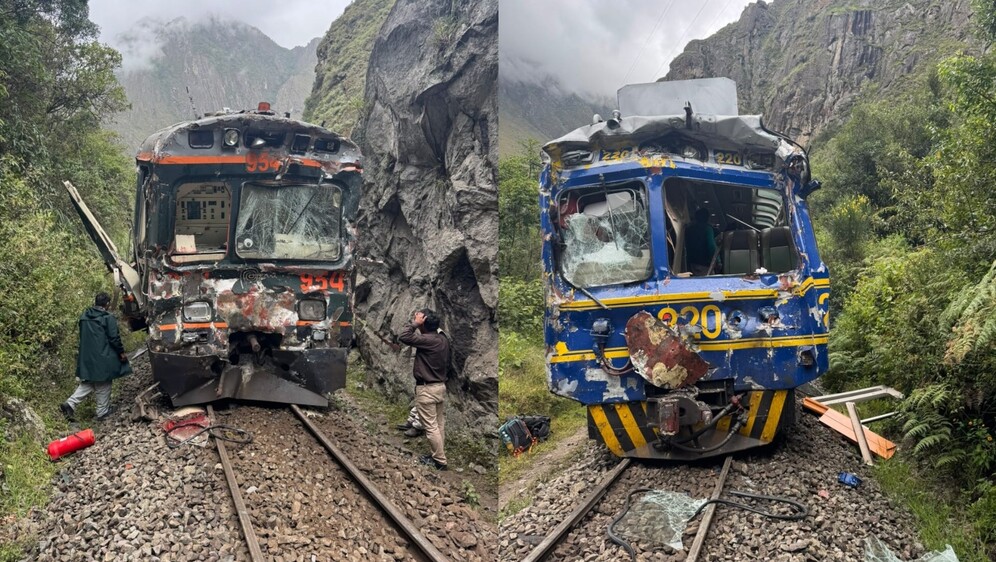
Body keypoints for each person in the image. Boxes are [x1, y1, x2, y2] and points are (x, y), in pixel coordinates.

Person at [60, 292, 133, 422]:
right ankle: (102, 412)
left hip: (87, 356)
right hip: (102, 356)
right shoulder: (107, 318)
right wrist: (121, 353)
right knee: (104, 381)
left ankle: (70, 404)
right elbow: (114, 338)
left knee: (89, 382)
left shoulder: (84, 316)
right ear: (107, 304)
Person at [399, 309, 450, 470]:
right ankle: (438, 455)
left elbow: (404, 336)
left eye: (420, 319)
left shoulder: (428, 340)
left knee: (431, 427)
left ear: (424, 323)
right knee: (439, 424)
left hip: (427, 389)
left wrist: (416, 323)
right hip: (440, 387)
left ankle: (440, 461)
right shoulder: (443, 339)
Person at [685, 207, 719, 276]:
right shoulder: (707, 229)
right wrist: (717, 261)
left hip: (690, 265)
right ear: (707, 218)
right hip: (704, 265)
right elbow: (711, 247)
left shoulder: (688, 229)